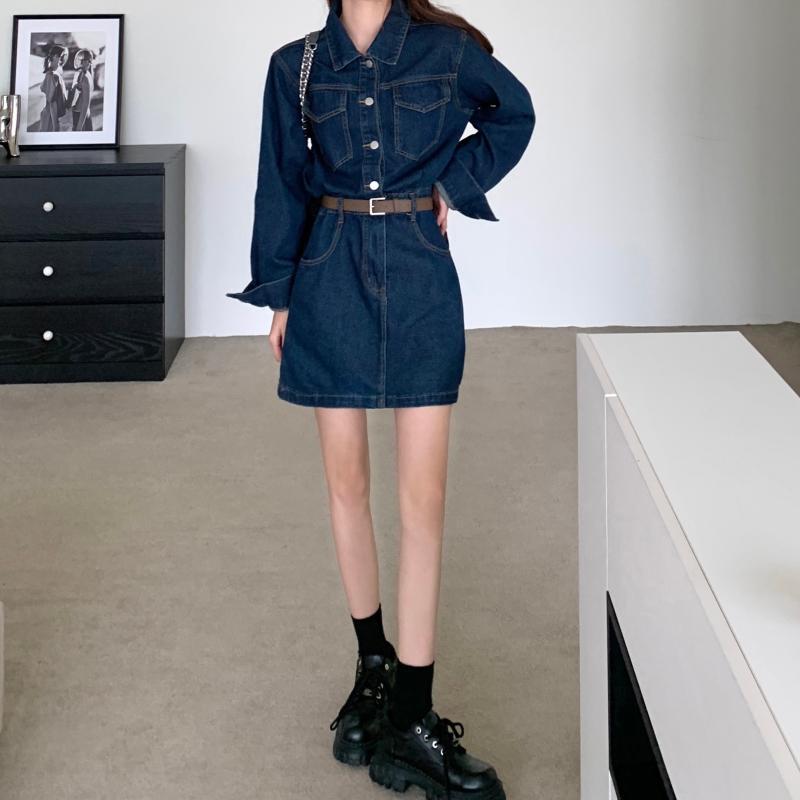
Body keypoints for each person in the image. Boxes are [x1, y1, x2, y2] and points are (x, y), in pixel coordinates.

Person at [227, 1, 534, 797]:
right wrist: (279, 296)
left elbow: (515, 114)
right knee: (346, 486)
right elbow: (279, 180)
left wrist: (453, 184)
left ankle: (412, 716)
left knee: (423, 500)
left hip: (419, 275)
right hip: (328, 276)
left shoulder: (445, 51)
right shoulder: (295, 65)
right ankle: (373, 669)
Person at [38, 45, 68, 132]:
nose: (62, 60)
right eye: (61, 57)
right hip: (50, 118)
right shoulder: (52, 76)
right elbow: (52, 103)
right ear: (55, 56)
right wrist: (55, 125)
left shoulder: (54, 74)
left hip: (51, 116)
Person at [69, 49, 95, 132]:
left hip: (81, 116)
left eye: (80, 60)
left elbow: (85, 103)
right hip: (82, 114)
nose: (78, 62)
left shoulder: (85, 77)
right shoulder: (85, 74)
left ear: (86, 62)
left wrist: (79, 126)